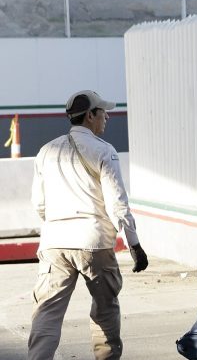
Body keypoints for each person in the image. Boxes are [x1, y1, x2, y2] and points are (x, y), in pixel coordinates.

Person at [28, 90, 149, 360]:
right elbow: (117, 203)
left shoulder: (45, 151)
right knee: (105, 310)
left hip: (54, 243)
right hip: (94, 242)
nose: (107, 116)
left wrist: (59, 225)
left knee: (47, 311)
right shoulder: (104, 150)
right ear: (91, 115)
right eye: (103, 111)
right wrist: (134, 244)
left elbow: (39, 203)